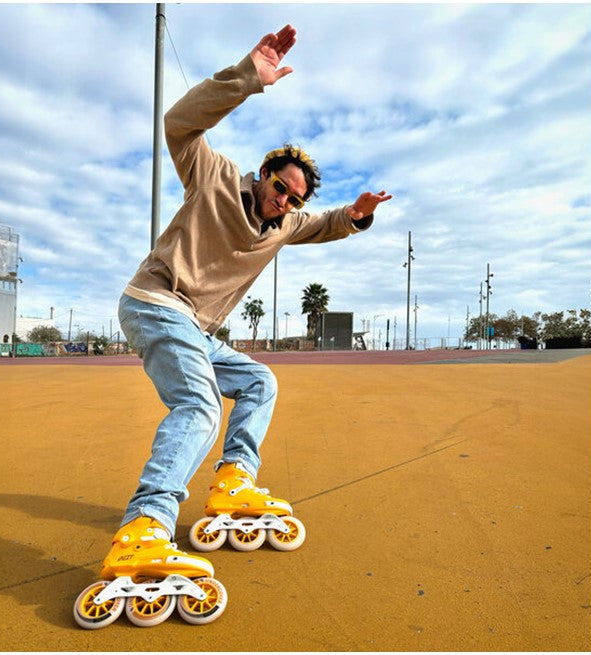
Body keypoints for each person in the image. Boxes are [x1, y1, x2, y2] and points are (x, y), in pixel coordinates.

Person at [109, 24, 391, 576]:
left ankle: (233, 481)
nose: (282, 201)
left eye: (293, 198)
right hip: (156, 303)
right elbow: (179, 125)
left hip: (195, 330)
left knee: (260, 381)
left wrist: (357, 215)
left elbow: (327, 222)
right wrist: (245, 80)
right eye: (279, 188)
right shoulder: (211, 176)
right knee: (200, 406)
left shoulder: (285, 224)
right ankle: (144, 527)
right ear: (262, 175)